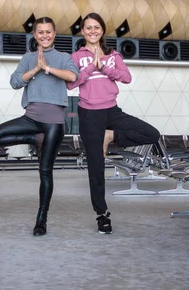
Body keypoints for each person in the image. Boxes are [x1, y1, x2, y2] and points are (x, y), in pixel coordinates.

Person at [0, 16, 78, 237]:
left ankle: (41, 220)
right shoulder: (27, 58)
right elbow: (15, 82)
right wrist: (35, 68)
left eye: (48, 31)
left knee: (45, 172)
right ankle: (31, 138)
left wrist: (48, 68)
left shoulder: (64, 57)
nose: (45, 35)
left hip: (54, 122)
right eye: (40, 32)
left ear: (54, 33)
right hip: (31, 117)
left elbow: (73, 76)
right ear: (35, 35)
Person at [67, 13, 160, 234]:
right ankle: (102, 215)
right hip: (89, 113)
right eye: (88, 27)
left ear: (102, 30)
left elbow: (127, 78)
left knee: (152, 134)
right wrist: (91, 68)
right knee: (96, 167)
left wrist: (105, 68)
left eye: (96, 27)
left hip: (111, 110)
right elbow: (71, 84)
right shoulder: (76, 57)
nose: (92, 31)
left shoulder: (112, 54)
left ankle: (111, 137)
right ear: (82, 31)